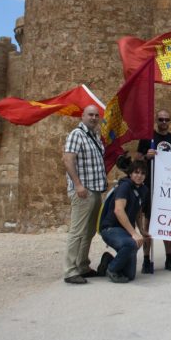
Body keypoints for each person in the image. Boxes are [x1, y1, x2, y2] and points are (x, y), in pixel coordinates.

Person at [62, 105, 108, 284]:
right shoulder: (77, 134)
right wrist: (78, 185)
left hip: (95, 189)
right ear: (83, 116)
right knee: (77, 231)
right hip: (83, 191)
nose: (94, 118)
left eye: (96, 115)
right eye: (90, 114)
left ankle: (82, 265)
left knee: (88, 231)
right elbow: (68, 159)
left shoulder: (95, 136)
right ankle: (70, 270)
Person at [136, 109, 171, 273]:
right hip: (150, 186)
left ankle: (169, 258)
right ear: (156, 120)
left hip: (167, 188)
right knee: (148, 223)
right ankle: (146, 260)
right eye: (160, 119)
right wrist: (146, 156)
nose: (163, 122)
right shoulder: (148, 138)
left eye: (166, 119)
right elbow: (137, 159)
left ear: (169, 121)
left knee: (167, 222)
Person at [99, 160, 147, 283]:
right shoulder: (124, 186)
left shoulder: (143, 190)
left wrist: (141, 230)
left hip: (125, 231)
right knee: (131, 243)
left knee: (129, 275)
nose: (139, 176)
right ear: (130, 174)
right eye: (136, 172)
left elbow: (138, 211)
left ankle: (108, 260)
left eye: (142, 173)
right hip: (111, 228)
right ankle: (112, 269)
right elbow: (118, 210)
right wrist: (134, 233)